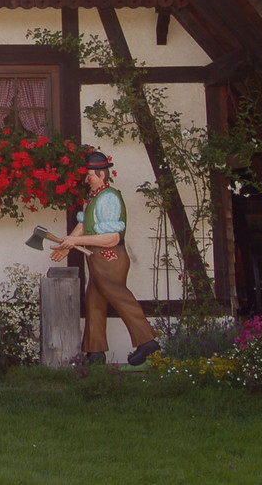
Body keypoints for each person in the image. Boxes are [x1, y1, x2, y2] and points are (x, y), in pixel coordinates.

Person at [50, 150, 159, 366]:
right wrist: (67, 245)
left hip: (110, 259)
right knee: (94, 301)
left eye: (89, 175)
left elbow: (112, 238)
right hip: (97, 259)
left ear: (101, 175)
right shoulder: (95, 197)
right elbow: (84, 225)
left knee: (118, 295)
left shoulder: (109, 198)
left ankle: (147, 342)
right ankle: (96, 352)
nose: (86, 179)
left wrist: (76, 241)